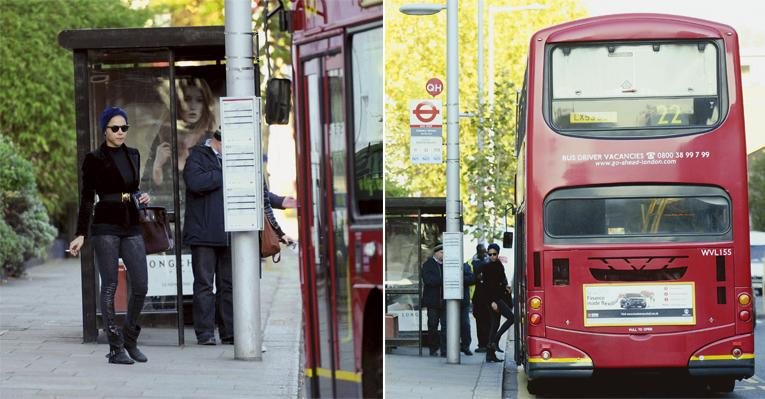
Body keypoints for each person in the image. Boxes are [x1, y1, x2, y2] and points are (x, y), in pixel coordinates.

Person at [183, 130, 292, 345]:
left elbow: (256, 190)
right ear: (217, 141)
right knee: (204, 285)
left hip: (229, 232)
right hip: (204, 234)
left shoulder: (233, 159)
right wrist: (226, 171)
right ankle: (205, 334)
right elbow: (195, 183)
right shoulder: (197, 156)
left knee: (229, 285)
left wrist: (281, 201)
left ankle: (230, 332)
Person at [68, 106, 151, 365]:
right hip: (104, 225)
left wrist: (141, 197)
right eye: (115, 128)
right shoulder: (94, 158)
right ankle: (115, 347)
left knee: (141, 284)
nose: (120, 132)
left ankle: (130, 337)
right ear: (105, 130)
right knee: (111, 285)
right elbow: (86, 199)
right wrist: (81, 232)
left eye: (124, 128)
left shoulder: (134, 155)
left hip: (130, 223)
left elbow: (133, 189)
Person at [142, 77, 218, 208]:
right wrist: (157, 166)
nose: (192, 106)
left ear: (205, 105)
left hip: (203, 220)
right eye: (187, 99)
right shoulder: (163, 138)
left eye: (199, 100)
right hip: (171, 219)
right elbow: (149, 192)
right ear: (178, 103)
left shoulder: (212, 141)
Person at [479, 243, 514, 363]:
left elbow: (501, 280)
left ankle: (490, 354)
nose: (492, 256)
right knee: (512, 318)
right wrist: (492, 302)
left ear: (498, 254)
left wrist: (506, 286)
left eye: (494, 254)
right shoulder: (487, 266)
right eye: (490, 254)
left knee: (495, 325)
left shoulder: (498, 265)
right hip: (494, 300)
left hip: (499, 298)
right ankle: (496, 340)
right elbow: (487, 288)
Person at [421, 243, 446, 357]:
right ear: (436, 253)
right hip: (432, 301)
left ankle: (444, 349)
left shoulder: (447, 265)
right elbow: (428, 280)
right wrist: (442, 280)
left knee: (445, 325)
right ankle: (433, 348)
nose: (444, 254)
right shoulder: (428, 264)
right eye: (442, 252)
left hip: (445, 300)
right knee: (432, 325)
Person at [471, 243, 491, 353]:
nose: (484, 252)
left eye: (485, 250)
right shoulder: (474, 261)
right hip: (477, 298)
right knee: (480, 322)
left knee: (489, 322)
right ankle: (482, 344)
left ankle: (489, 344)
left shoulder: (489, 261)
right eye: (482, 250)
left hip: (488, 297)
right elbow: (475, 270)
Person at [461, 260, 475, 356]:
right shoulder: (445, 265)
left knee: (465, 324)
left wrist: (459, 278)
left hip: (463, 301)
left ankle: (466, 346)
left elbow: (472, 279)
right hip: (448, 301)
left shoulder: (465, 266)